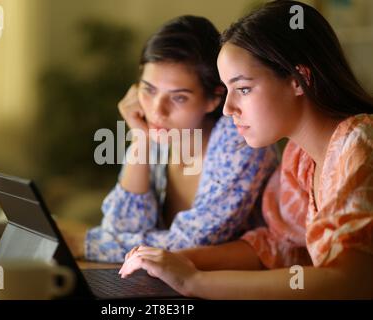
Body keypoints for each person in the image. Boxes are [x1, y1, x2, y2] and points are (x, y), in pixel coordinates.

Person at [119, 1, 373, 299]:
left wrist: (194, 282)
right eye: (227, 90)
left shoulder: (360, 142)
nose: (228, 109)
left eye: (243, 89)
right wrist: (179, 260)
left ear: (299, 79)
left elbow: (349, 282)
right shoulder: (300, 158)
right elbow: (275, 246)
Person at [77, 15, 278, 262]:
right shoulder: (162, 137)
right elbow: (121, 228)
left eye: (178, 97)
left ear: (213, 99)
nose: (157, 111)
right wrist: (141, 138)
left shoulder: (238, 140)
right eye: (149, 90)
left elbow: (192, 243)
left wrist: (87, 243)